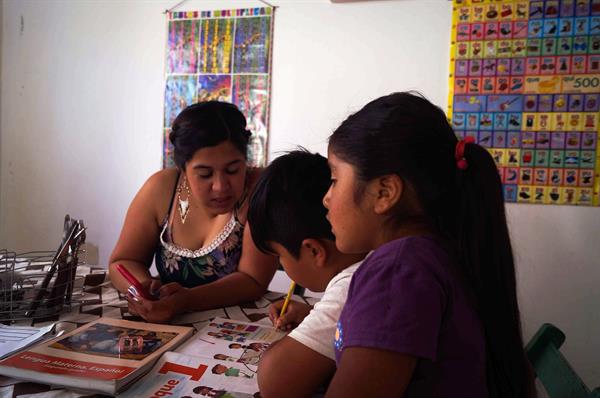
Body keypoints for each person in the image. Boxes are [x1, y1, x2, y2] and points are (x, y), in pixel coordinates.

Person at [323, 92, 535, 398]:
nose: (326, 197)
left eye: (334, 179)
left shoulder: (398, 272)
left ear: (384, 192)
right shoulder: (428, 255)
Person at [109, 101, 277, 323]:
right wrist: (142, 289)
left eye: (233, 170)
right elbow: (123, 260)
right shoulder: (161, 189)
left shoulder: (260, 191)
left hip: (236, 329)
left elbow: (253, 280)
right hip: (167, 325)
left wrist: (186, 300)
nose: (220, 186)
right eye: (205, 174)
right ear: (182, 168)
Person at [246, 150, 365, 398]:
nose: (282, 264)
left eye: (280, 256)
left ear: (313, 250)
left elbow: (277, 381)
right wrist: (312, 315)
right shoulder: (372, 258)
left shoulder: (353, 284)